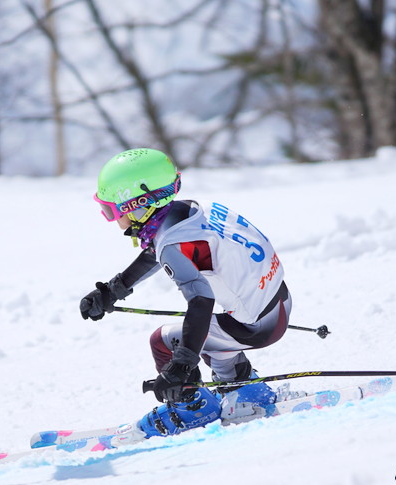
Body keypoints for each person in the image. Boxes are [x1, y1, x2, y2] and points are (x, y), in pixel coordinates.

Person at [79, 148, 292, 441]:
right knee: (207, 333)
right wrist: (112, 291)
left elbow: (200, 302)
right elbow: (159, 250)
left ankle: (192, 408)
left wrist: (182, 365)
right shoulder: (192, 210)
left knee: (165, 341)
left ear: (140, 204)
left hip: (257, 327)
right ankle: (244, 389)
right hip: (277, 303)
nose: (114, 220)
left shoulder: (173, 243)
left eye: (113, 211)